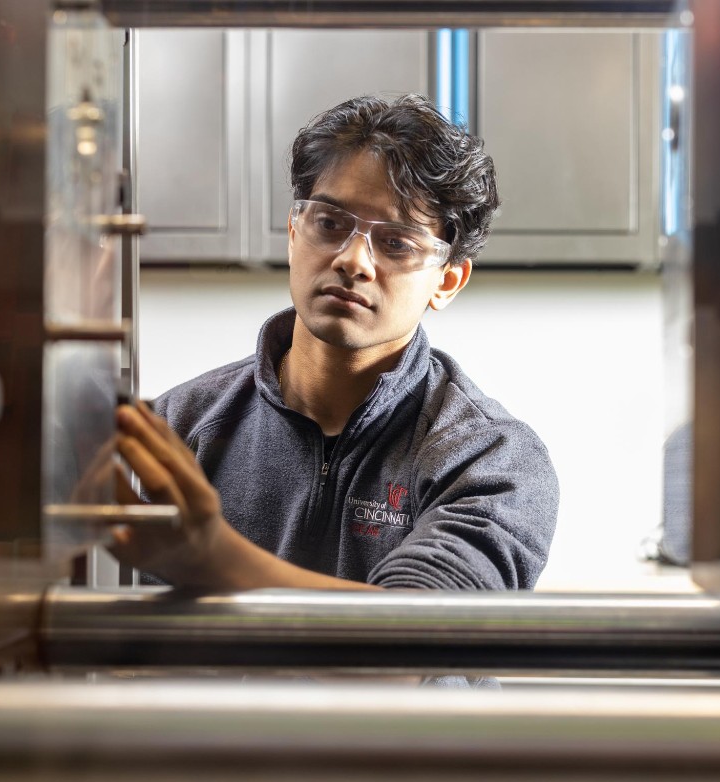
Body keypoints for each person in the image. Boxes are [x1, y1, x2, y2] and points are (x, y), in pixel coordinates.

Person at [110, 94, 559, 593]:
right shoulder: (180, 425)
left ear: (447, 281)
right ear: (293, 232)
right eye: (329, 224)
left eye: (396, 242)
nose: (353, 261)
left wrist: (218, 559)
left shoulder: (488, 458)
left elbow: (422, 629)